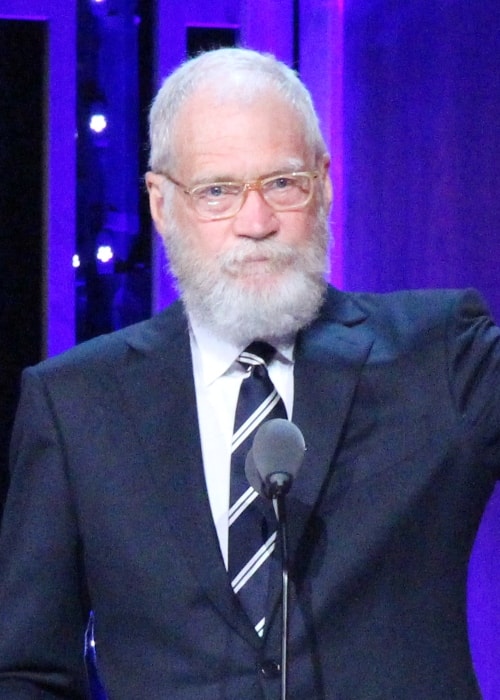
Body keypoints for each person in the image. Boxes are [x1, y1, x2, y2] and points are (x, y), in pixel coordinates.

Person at [0, 47, 499, 700]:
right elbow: (27, 672)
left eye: (283, 183)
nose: (256, 223)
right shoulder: (73, 403)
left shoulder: (438, 356)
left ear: (322, 182)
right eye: (218, 192)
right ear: (160, 202)